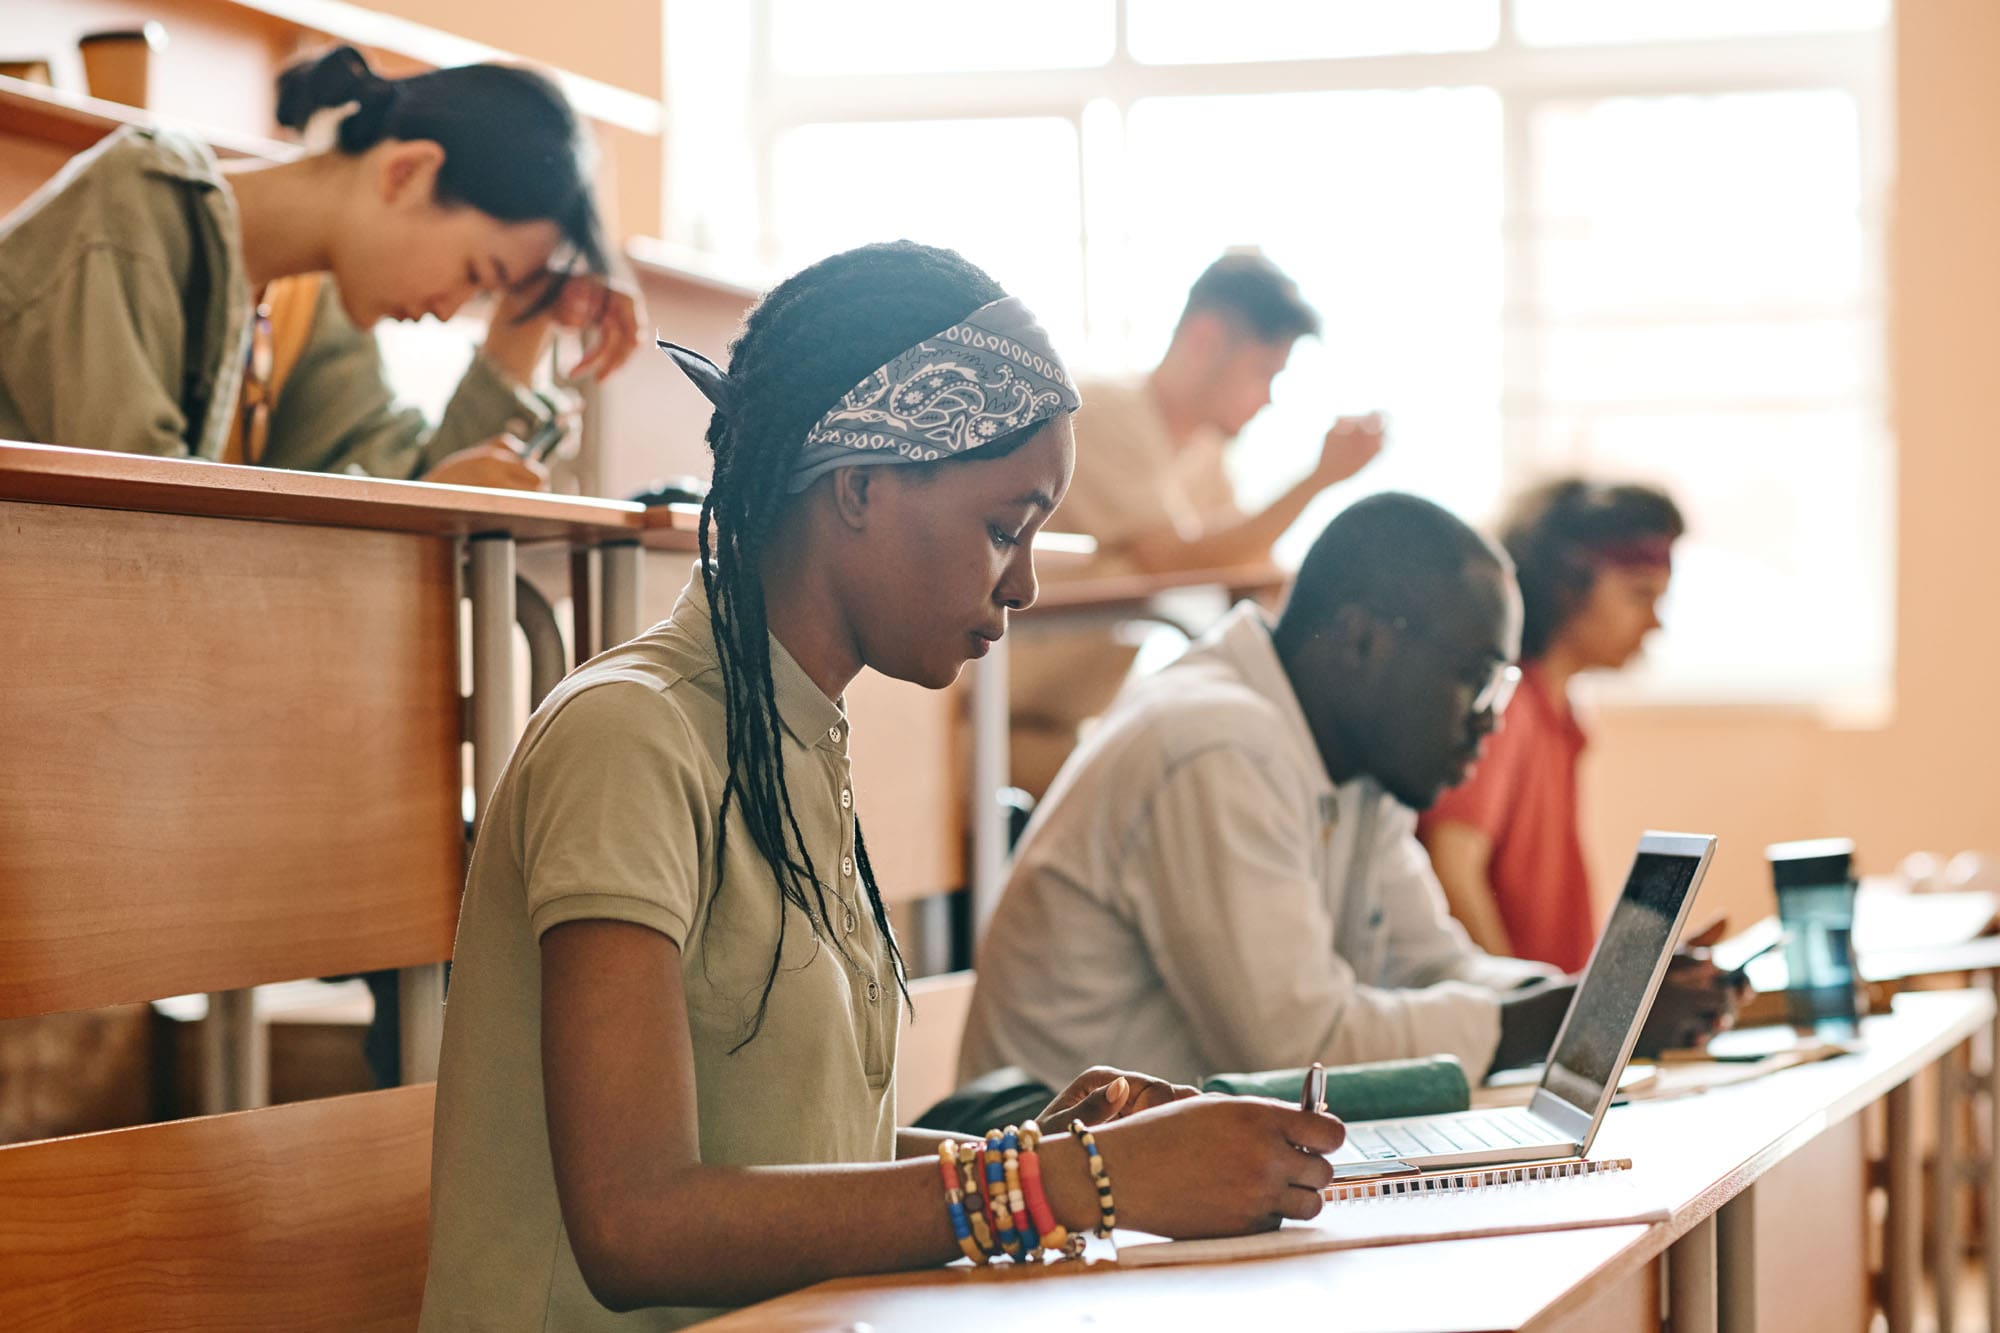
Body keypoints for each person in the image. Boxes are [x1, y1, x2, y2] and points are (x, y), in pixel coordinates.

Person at [419, 241, 1345, 1330]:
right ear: (858, 486)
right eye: (1004, 526)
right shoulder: (629, 736)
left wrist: (1050, 1157)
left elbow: (798, 1163)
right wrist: (1066, 1186)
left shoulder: (796, 736)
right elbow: (637, 1225)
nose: (1025, 583)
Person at [963, 493, 1734, 1093]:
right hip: (1063, 1213)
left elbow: (1432, 965)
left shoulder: (1361, 769)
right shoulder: (1213, 742)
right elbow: (1302, 1049)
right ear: (1365, 642)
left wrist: (1602, 995)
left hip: (1172, 1197)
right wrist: (1580, 1017)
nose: (1488, 721)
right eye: (1475, 679)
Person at [0, 44, 640, 488]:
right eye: (476, 273)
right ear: (407, 172)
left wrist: (527, 318)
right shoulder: (137, 204)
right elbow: (145, 528)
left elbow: (410, 488)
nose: (449, 309)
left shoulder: (311, 303)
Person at [1009, 250, 1383, 795]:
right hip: (998, 713)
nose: (1269, 398)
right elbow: (1171, 557)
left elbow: (1248, 570)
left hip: (1063, 725)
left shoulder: (1207, 461)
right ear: (1204, 339)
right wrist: (1318, 479)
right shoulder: (1104, 413)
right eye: (1264, 372)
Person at [1419, 480, 1685, 972]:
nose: (1654, 623)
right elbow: (1452, 870)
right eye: (1639, 595)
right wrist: (1521, 1010)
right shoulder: (1509, 704)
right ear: (1566, 584)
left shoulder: (1557, 711)